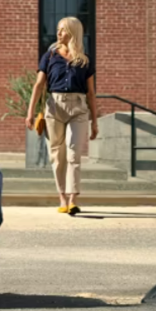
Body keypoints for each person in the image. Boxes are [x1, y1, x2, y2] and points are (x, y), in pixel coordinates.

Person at [25, 17, 98, 215]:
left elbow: (91, 93)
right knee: (57, 155)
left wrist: (95, 122)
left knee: (74, 153)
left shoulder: (85, 60)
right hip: (54, 107)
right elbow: (39, 85)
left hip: (78, 108)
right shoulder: (49, 56)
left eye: (63, 30)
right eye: (57, 29)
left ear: (73, 32)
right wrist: (30, 112)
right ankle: (62, 198)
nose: (58, 34)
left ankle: (73, 199)